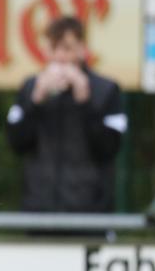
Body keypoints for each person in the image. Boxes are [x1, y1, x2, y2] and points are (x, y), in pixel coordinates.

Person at [7, 16, 127, 212]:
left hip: (91, 211)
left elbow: (109, 148)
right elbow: (17, 144)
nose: (60, 57)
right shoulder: (30, 88)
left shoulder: (106, 89)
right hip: (39, 210)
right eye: (54, 49)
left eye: (67, 49)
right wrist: (36, 102)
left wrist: (85, 103)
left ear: (82, 49)